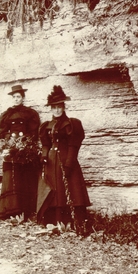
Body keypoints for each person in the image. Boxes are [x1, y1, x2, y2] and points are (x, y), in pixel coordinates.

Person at [37, 85, 91, 231]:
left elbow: (74, 146)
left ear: (64, 107)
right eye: (54, 107)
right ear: (51, 109)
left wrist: (68, 164)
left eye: (59, 106)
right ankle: (55, 223)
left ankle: (74, 223)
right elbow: (46, 145)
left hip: (67, 161)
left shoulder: (72, 124)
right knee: (55, 191)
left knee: (71, 190)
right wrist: (44, 156)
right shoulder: (47, 126)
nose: (57, 110)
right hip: (52, 163)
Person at [0, 84, 41, 220]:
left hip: (25, 147)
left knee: (24, 176)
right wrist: (9, 140)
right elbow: (2, 132)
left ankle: (25, 209)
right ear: (12, 98)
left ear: (23, 98)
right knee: (12, 176)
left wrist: (26, 142)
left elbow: (34, 132)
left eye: (19, 97)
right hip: (11, 146)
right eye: (14, 97)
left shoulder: (30, 113)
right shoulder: (7, 114)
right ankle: (11, 208)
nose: (16, 99)